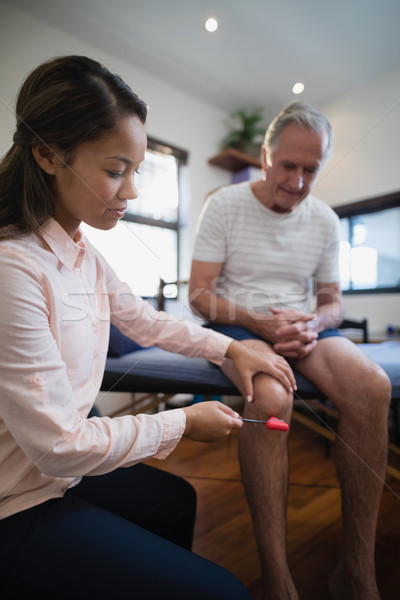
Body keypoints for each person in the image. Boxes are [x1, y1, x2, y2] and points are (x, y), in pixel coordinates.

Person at [0, 55, 299, 600]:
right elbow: (59, 448)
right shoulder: (13, 270)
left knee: (175, 502)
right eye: (116, 170)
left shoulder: (80, 254)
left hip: (52, 475)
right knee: (224, 592)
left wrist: (233, 349)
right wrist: (181, 422)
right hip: (14, 500)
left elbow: (144, 321)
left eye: (135, 172)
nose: (132, 192)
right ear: (47, 154)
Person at [189, 100, 391, 600]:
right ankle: (278, 579)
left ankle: (356, 570)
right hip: (241, 327)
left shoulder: (323, 219)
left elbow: (333, 302)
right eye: (288, 166)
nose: (299, 182)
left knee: (373, 386)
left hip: (303, 329)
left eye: (311, 170)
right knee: (272, 401)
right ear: (264, 157)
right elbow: (198, 295)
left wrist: (315, 322)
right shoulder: (224, 204)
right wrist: (258, 320)